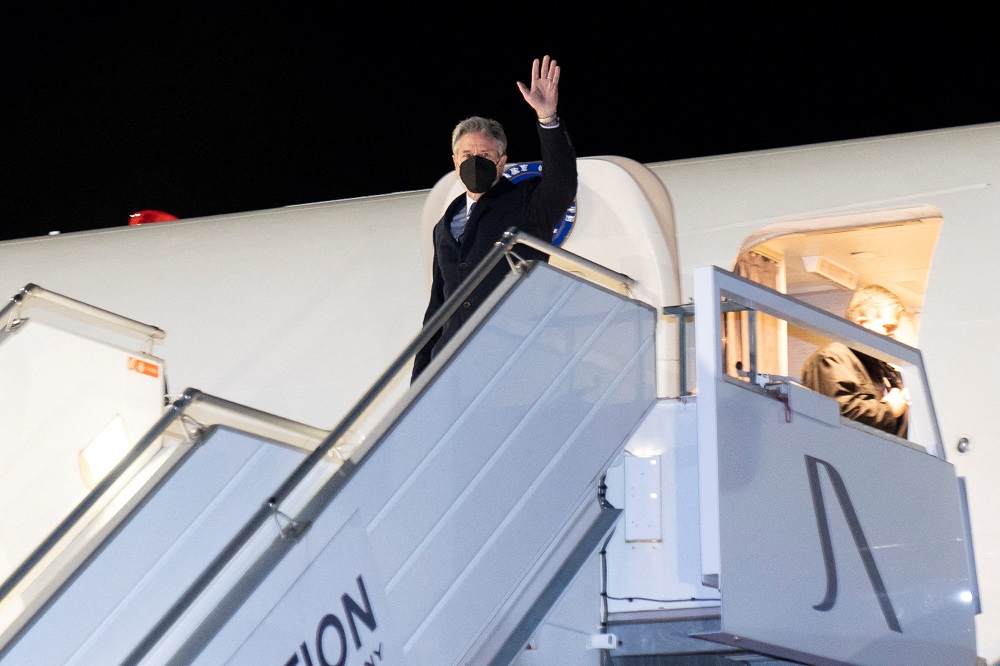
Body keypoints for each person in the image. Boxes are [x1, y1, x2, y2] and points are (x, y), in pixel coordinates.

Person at [410, 55, 578, 382]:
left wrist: (548, 119)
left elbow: (561, 184)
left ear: (501, 162)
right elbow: (438, 306)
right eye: (467, 155)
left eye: (485, 155)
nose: (475, 162)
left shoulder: (526, 203)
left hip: (511, 362)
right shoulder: (444, 224)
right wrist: (420, 379)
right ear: (455, 162)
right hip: (453, 366)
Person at [801, 284, 910, 437]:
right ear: (862, 324)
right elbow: (838, 413)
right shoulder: (831, 358)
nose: (892, 337)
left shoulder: (881, 368)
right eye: (887, 327)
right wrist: (888, 410)